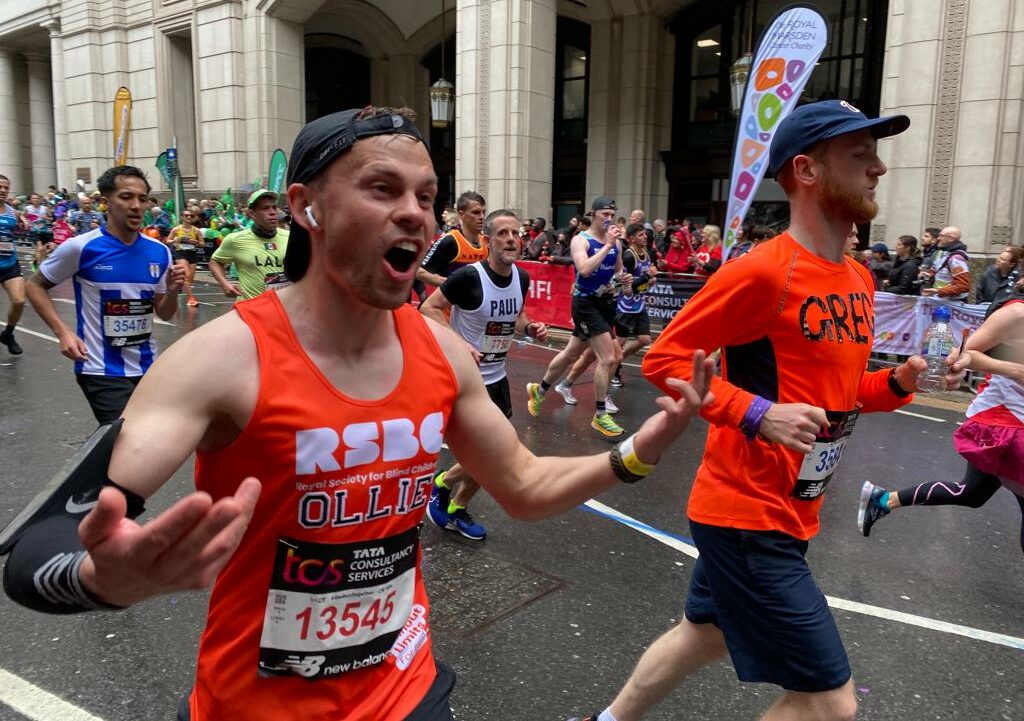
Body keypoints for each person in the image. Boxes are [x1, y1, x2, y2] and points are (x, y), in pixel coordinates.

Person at [2, 106, 715, 721]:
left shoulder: (442, 356)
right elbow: (38, 546)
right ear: (307, 204)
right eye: (382, 188)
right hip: (255, 703)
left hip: (406, 686)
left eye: (426, 194)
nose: (415, 211)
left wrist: (637, 451)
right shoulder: (222, 358)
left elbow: (523, 486)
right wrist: (98, 580)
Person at [574, 100, 968, 721]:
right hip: (746, 515)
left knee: (704, 633)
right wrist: (759, 414)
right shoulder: (763, 272)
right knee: (830, 702)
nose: (879, 169)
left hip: (792, 508)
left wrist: (893, 383)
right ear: (807, 171)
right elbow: (665, 361)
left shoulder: (857, 280)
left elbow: (833, 394)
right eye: (860, 155)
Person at [858, 296, 1024, 553]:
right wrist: (1015, 370)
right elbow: (963, 354)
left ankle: (883, 500)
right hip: (1002, 421)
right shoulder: (1017, 313)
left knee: (972, 494)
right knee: (972, 493)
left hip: (1015, 423)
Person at [420, 209, 548, 541]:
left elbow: (517, 316)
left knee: (492, 455)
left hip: (498, 377)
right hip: (469, 382)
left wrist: (531, 328)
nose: (511, 239)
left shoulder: (522, 278)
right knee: (497, 454)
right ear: (489, 241)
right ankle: (441, 485)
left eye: (515, 233)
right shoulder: (468, 278)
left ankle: (454, 505)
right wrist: (460, 344)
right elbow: (429, 309)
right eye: (503, 234)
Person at [25, 165, 185, 423]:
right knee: (127, 440)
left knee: (143, 443)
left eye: (142, 199)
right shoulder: (81, 247)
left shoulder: (159, 251)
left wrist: (174, 291)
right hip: (100, 369)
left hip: (147, 367)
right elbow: (34, 284)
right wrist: (63, 332)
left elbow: (164, 314)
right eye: (126, 197)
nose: (136, 205)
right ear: (105, 202)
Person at [527, 196, 629, 438]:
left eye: (612, 215)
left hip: (605, 304)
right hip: (585, 303)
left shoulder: (617, 244)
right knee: (609, 356)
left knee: (572, 352)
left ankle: (539, 391)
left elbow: (618, 270)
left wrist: (624, 281)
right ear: (592, 215)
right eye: (604, 214)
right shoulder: (580, 240)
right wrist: (606, 246)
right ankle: (601, 415)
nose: (609, 219)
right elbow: (584, 269)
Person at [555, 223, 657, 403]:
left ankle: (577, 384)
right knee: (596, 354)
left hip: (632, 306)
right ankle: (580, 387)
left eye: (645, 234)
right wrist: (643, 279)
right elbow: (619, 281)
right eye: (641, 235)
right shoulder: (625, 255)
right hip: (618, 308)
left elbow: (627, 282)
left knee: (637, 343)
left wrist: (647, 283)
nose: (645, 237)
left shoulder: (644, 254)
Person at [208, 189, 290, 300]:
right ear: (252, 213)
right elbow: (215, 262)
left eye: (274, 207)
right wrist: (224, 283)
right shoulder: (235, 239)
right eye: (265, 208)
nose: (272, 212)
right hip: (251, 308)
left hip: (284, 306)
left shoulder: (289, 237)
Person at [416, 191, 487, 288]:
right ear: (461, 215)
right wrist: (454, 284)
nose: (482, 217)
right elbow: (420, 272)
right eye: (476, 212)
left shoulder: (486, 241)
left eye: (483, 212)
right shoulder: (450, 240)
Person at [0, 174, 25, 355]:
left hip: (9, 263)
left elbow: (18, 228)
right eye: (0, 187)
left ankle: (8, 334)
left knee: (19, 301)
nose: (3, 190)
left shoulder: (13, 212)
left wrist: (24, 222)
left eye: (6, 188)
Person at [167, 207, 204, 306]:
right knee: (186, 276)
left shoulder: (196, 230)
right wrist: (176, 239)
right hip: (181, 253)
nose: (188, 217)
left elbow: (202, 244)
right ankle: (191, 299)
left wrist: (196, 242)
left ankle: (177, 286)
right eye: (186, 215)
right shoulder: (176, 229)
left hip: (192, 253)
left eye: (191, 216)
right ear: (182, 217)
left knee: (190, 279)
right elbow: (167, 241)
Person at [921, 226, 970, 300]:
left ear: (951, 238)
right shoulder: (941, 252)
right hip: (941, 300)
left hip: (952, 302)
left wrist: (938, 291)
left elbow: (963, 286)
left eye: (941, 236)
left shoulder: (957, 258)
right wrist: (928, 275)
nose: (938, 238)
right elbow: (938, 271)